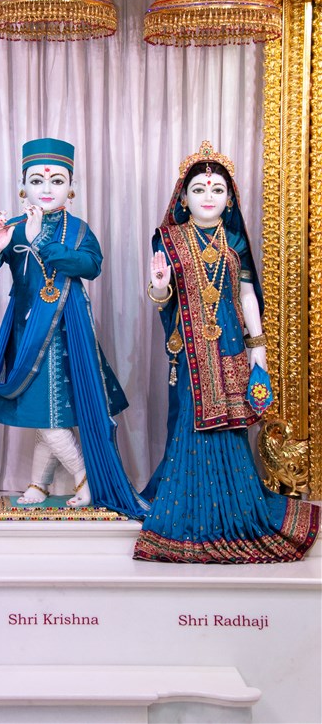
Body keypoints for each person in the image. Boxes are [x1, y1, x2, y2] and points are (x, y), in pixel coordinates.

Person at [134, 141, 319, 562]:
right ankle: (188, 507)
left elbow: (247, 295)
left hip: (231, 345)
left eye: (217, 190)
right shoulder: (168, 238)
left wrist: (259, 350)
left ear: (230, 198)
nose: (208, 197)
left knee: (231, 423)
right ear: (183, 197)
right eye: (199, 189)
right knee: (189, 419)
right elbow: (160, 297)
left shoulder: (234, 238)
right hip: (190, 351)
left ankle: (234, 506)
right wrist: (159, 285)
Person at [0, 138, 147, 517]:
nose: (46, 188)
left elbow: (90, 266)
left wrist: (41, 243)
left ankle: (85, 477)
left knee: (49, 411)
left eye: (57, 181)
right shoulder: (11, 228)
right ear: (23, 186)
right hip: (26, 330)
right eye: (37, 181)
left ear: (71, 187)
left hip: (69, 329)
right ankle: (40, 482)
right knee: (44, 410)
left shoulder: (78, 229)